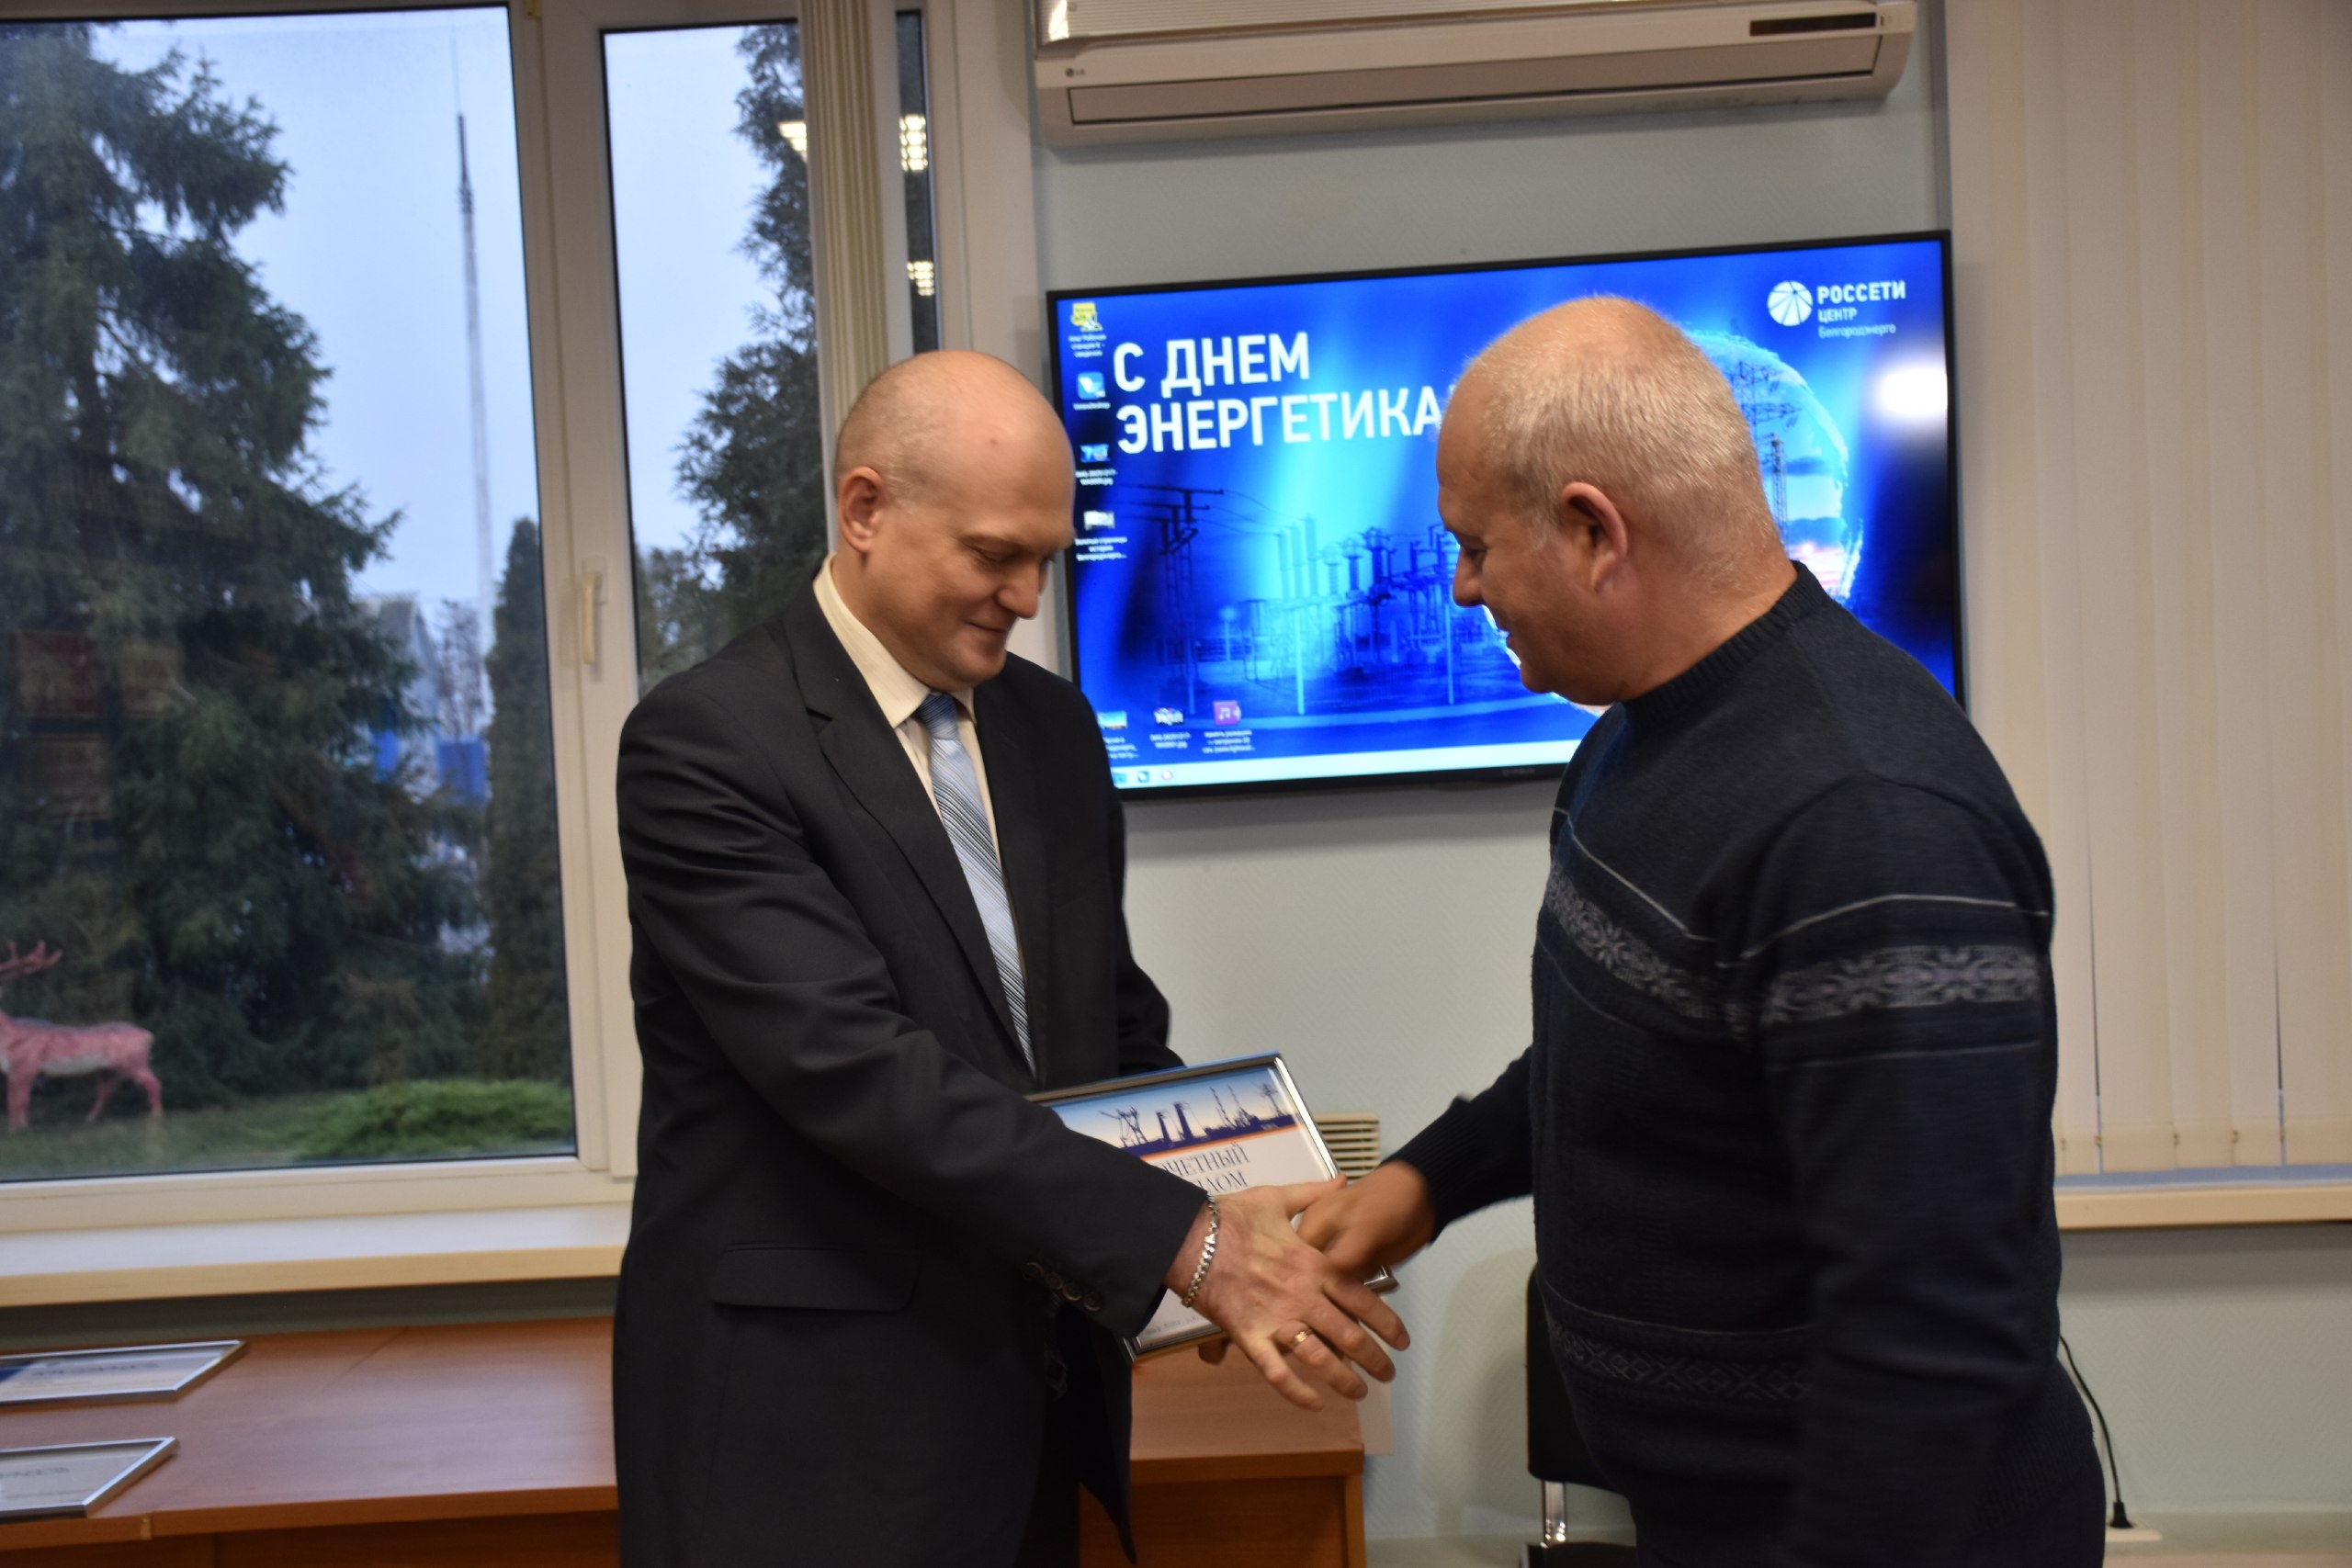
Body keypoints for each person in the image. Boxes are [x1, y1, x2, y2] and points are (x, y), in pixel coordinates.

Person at [1299, 299, 2105, 1567]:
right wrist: (1424, 1183)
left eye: (1477, 545)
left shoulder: (1865, 822)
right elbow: (1637, 1052)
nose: (1461, 585)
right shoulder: (1641, 733)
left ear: (1592, 532)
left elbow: (1934, 1336)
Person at [612, 350, 1406, 1568]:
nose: (1027, 597)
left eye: (1048, 558)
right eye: (994, 555)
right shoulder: (707, 744)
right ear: (864, 509)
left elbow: (1107, 1030)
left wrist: (1232, 1194)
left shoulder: (1052, 728)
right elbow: (857, 1071)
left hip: (1031, 1410)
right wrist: (1186, 1243)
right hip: (810, 1437)